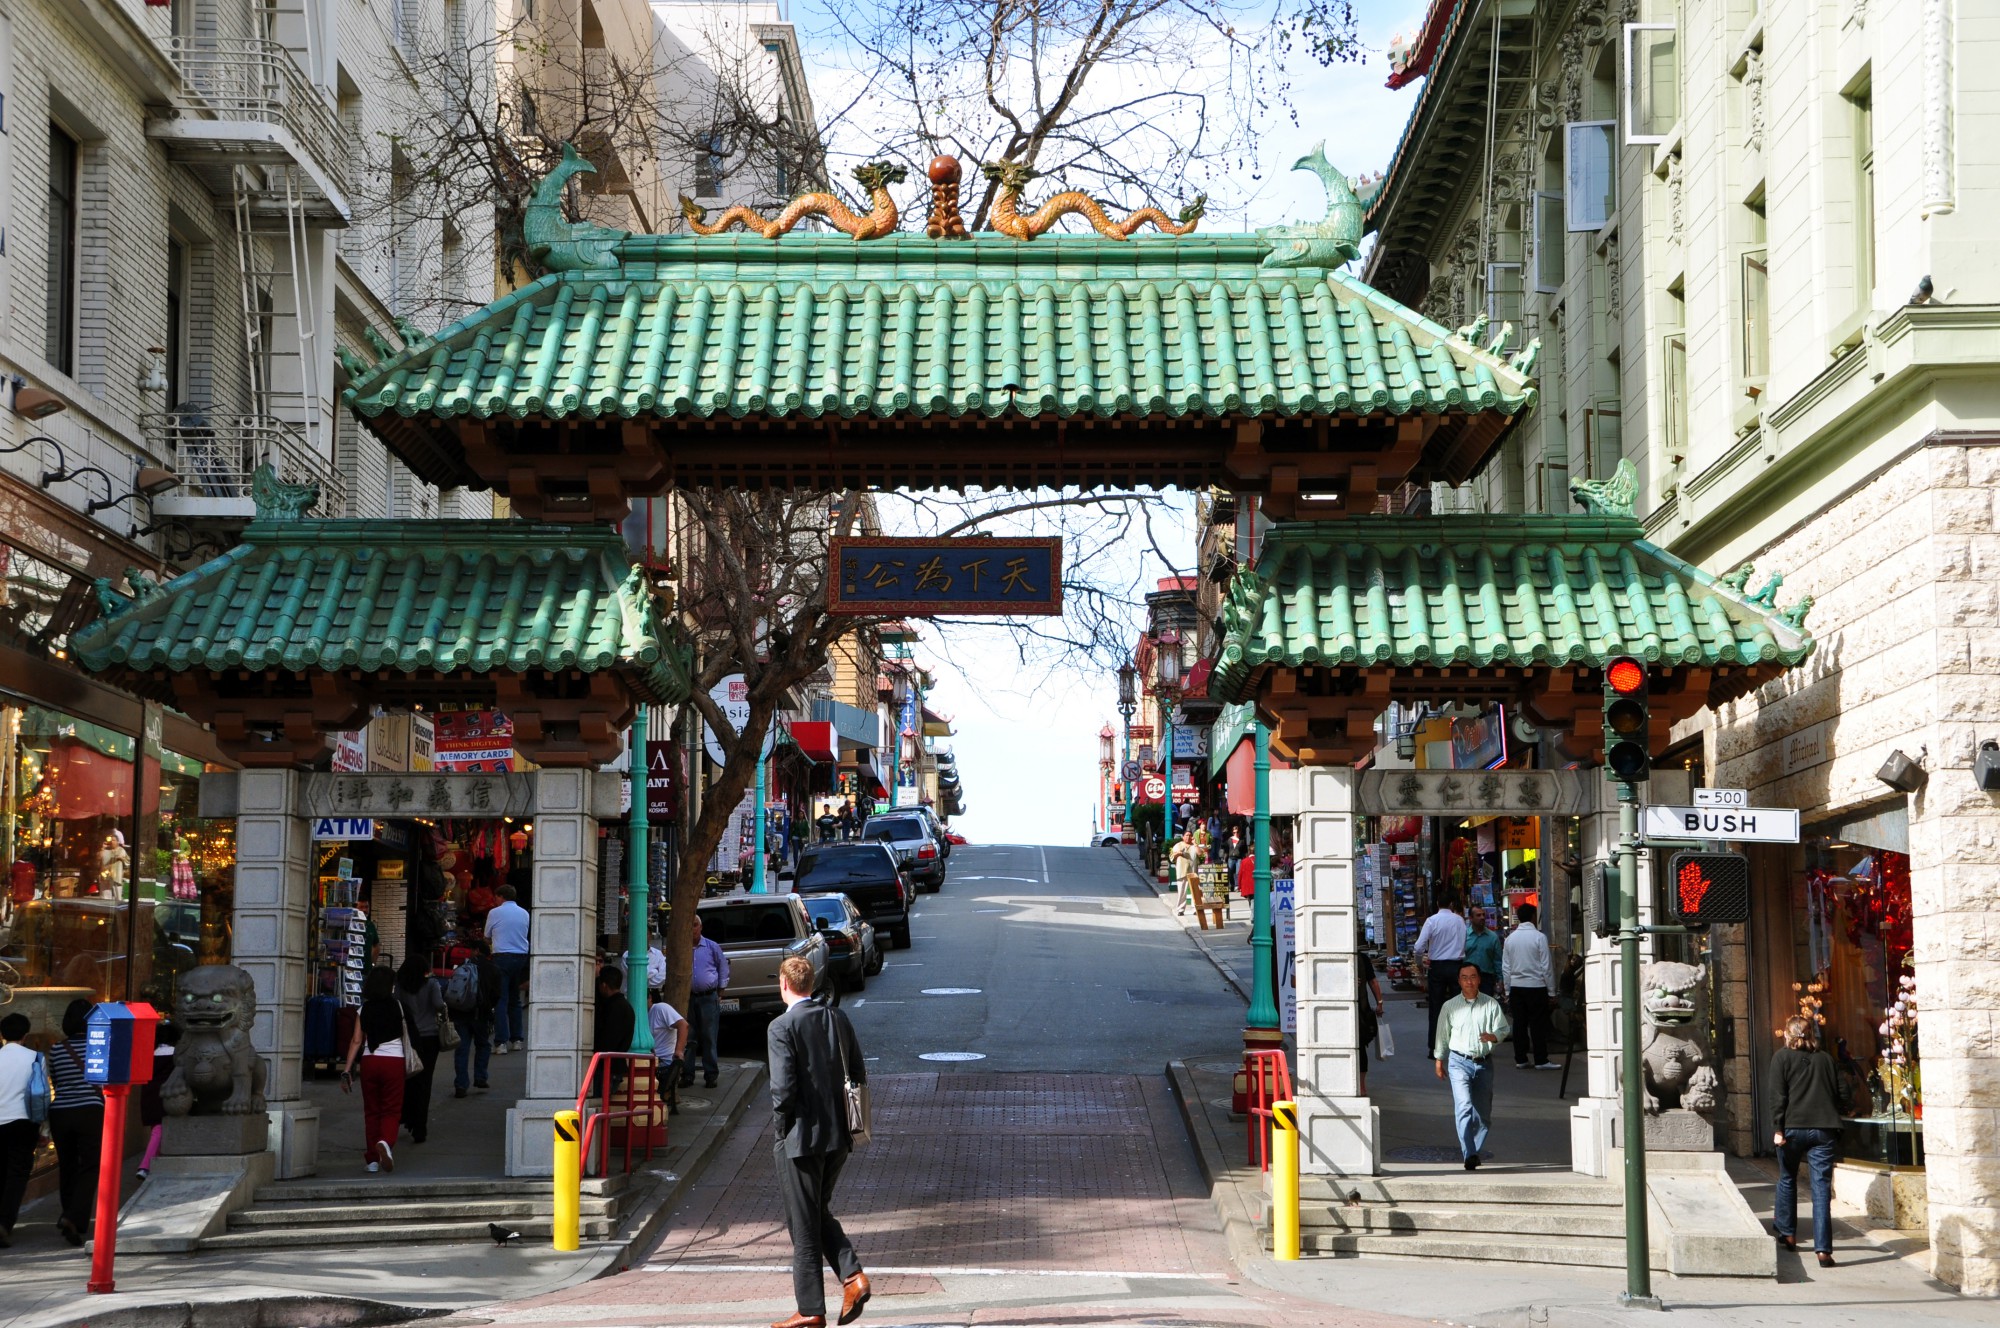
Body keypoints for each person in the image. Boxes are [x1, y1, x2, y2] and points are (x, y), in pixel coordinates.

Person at [767, 955, 870, 1328]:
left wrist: (781, 1128)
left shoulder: (781, 1026)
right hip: (839, 1135)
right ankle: (852, 1276)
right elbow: (857, 1071)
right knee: (814, 1214)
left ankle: (811, 1308)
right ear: (811, 983)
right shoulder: (838, 1018)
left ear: (784, 985)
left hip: (800, 1137)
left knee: (803, 1222)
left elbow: (782, 1089)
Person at [1769, 1016, 1843, 1267]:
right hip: (1824, 1129)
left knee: (1787, 1178)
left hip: (1792, 1128)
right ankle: (1823, 1250)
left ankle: (1787, 1233)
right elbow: (1841, 1091)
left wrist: (1778, 1128)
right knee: (1821, 1188)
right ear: (1812, 1034)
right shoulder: (1826, 1058)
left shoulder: (1781, 1057)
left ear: (1788, 1034)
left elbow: (1778, 1096)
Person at [1433, 960, 1511, 1170]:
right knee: (1464, 1106)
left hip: (1484, 1065)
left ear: (1479, 979)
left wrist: (1493, 1036)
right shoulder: (1449, 1006)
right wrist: (1440, 1060)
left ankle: (1473, 1150)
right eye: (1465, 978)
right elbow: (1442, 1035)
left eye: (1473, 977)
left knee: (1483, 1117)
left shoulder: (1491, 1004)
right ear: (1459, 981)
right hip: (1459, 1062)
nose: (1469, 982)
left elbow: (1503, 1028)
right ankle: (1469, 1154)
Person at [46, 999, 104, 1245]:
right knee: (90, 1166)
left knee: (67, 1165)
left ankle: (67, 1213)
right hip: (90, 1109)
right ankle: (74, 1217)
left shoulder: (57, 1049)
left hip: (60, 1112)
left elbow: (56, 1081)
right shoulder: (99, 1047)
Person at [342, 967, 407, 1173]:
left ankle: (372, 1160)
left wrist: (347, 1069)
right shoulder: (398, 1006)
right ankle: (386, 1142)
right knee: (391, 1109)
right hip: (394, 1062)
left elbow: (356, 1040)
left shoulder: (364, 1009)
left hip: (370, 1061)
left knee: (371, 1111)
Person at [0, 1012, 42, 1247]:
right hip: (23, 1121)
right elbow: (41, 1094)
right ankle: (5, 1222)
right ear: (26, 1034)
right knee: (16, 1175)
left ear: (2, 1034)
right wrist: (43, 1128)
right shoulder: (35, 1057)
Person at [396, 956, 446, 1144]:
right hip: (430, 1037)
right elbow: (439, 1005)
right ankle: (420, 1127)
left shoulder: (401, 986)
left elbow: (397, 1005)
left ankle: (409, 1117)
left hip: (408, 1037)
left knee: (410, 1078)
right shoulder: (432, 984)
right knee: (425, 1082)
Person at [1502, 903, 1557, 1069]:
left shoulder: (1510, 939)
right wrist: (1551, 990)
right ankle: (1540, 1058)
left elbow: (1506, 967)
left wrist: (1507, 989)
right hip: (1536, 986)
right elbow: (1546, 966)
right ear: (1533, 917)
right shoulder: (1539, 937)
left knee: (1519, 1023)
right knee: (1537, 1023)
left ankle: (1521, 1058)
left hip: (1517, 987)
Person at [1413, 896, 1468, 1050]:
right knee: (1459, 1006)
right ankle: (1460, 1045)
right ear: (1451, 904)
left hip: (1437, 967)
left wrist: (1419, 963)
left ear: (1437, 904)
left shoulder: (1432, 921)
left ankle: (1435, 1047)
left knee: (1436, 1007)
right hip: (1456, 966)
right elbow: (1464, 942)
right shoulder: (1459, 921)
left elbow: (1418, 947)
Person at [451, 938, 503, 1098]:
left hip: (461, 1013)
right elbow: (497, 994)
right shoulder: (493, 969)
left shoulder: (462, 968)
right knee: (483, 1045)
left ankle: (461, 1084)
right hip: (481, 1013)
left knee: (462, 1048)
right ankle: (480, 1077)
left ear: (476, 951)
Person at [684, 915, 730, 1089]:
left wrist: (720, 992)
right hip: (689, 998)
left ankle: (711, 1075)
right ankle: (687, 1075)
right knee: (688, 1037)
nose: (693, 929)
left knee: (709, 1037)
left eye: (695, 925)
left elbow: (723, 968)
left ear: (700, 927)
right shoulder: (683, 947)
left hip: (708, 997)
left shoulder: (712, 946)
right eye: (690, 925)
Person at [486, 884, 532, 1052]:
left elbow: (487, 936)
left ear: (501, 897)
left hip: (501, 957)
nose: (495, 900)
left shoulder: (494, 913)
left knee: (501, 999)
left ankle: (501, 1042)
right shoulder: (524, 913)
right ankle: (517, 1039)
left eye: (496, 897)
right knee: (515, 999)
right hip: (520, 957)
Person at [137, 1020, 182, 1178]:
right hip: (166, 1096)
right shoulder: (176, 1055)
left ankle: (155, 1161)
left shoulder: (150, 1053)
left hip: (148, 1095)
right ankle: (145, 1166)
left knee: (155, 1130)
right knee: (159, 1131)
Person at [648, 991, 689, 1096]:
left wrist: (679, 1051)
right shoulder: (640, 1015)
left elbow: (683, 1025)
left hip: (663, 1063)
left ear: (650, 998)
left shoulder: (661, 1008)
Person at [1357, 950, 1385, 1096]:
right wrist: (1379, 1003)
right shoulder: (1362, 958)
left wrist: (1379, 1002)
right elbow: (1373, 981)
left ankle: (1361, 1086)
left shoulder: (1362, 958)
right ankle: (1361, 1087)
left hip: (1359, 1012)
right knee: (1360, 1048)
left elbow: (1373, 981)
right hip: (1361, 1011)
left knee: (1359, 1048)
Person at [1464, 906, 1503, 998]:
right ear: (1471, 918)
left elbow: (1498, 960)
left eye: (1483, 915)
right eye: (1478, 915)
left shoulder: (1492, 937)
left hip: (1486, 978)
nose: (1482, 917)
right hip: (1467, 977)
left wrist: (1500, 980)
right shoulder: (1464, 936)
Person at [1168, 828, 1199, 916]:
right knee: (1182, 891)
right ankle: (1180, 909)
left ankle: (1195, 908)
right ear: (1183, 837)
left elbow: (1200, 853)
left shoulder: (1194, 846)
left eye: (1190, 835)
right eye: (1186, 835)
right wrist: (1178, 853)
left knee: (1194, 891)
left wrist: (1195, 844)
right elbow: (1171, 857)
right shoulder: (1178, 845)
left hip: (1193, 871)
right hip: (1182, 871)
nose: (1188, 837)